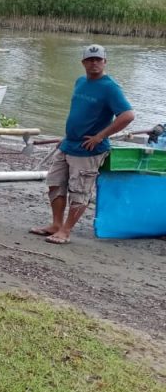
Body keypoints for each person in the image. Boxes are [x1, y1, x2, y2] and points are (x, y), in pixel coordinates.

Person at [30, 44, 134, 245]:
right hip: (69, 143)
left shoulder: (110, 87)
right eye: (90, 60)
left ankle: (66, 231)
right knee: (54, 183)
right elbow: (80, 113)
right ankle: (56, 225)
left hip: (89, 149)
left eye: (98, 59)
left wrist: (100, 136)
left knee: (79, 191)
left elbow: (128, 115)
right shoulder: (80, 81)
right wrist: (68, 135)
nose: (94, 63)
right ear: (83, 62)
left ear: (105, 62)